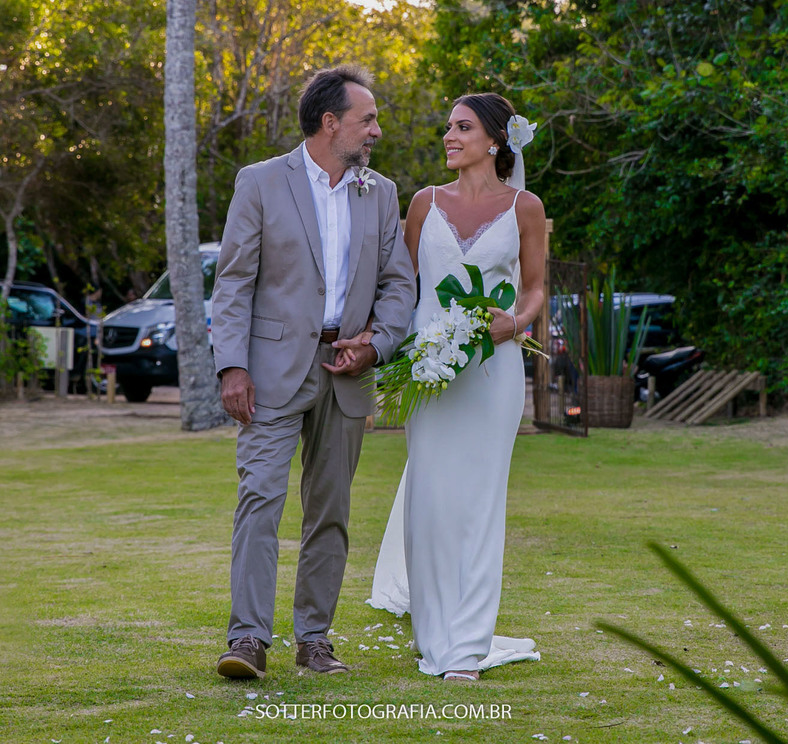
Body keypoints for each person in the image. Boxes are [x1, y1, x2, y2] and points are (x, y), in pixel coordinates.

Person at [210, 65, 416, 679]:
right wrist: (232, 366)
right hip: (270, 372)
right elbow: (233, 282)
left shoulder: (381, 192)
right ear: (331, 123)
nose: (376, 130)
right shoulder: (260, 181)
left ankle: (315, 640)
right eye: (367, 119)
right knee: (260, 499)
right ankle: (247, 640)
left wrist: (376, 344)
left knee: (330, 510)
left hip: (347, 373)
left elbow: (398, 283)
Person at [367, 93, 546, 681]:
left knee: (480, 505)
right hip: (429, 373)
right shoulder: (424, 203)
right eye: (448, 127)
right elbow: (400, 286)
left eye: (462, 127)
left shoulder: (524, 207)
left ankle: (466, 648)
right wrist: (381, 346)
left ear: (495, 140)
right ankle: (434, 634)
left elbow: (535, 290)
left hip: (494, 375)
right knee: (431, 501)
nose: (449, 136)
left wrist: (513, 324)